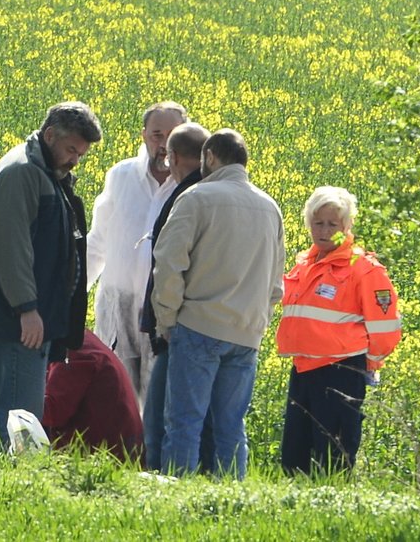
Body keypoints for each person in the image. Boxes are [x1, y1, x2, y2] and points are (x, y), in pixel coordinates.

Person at [0, 101, 103, 450]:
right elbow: (10, 246)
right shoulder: (22, 172)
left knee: (8, 409)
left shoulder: (45, 171)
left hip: (30, 316)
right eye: (70, 150)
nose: (75, 159)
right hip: (17, 319)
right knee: (21, 414)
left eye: (80, 153)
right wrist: (26, 307)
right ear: (49, 135)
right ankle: (9, 486)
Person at [151, 129, 285, 478]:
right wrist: (257, 323)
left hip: (198, 325)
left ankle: (179, 496)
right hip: (246, 333)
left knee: (184, 423)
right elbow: (275, 283)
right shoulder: (270, 208)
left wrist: (166, 319)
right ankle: (229, 501)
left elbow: (168, 263)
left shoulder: (197, 198)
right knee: (231, 428)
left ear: (210, 157)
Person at [276, 186, 402, 475]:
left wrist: (366, 365)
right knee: (294, 460)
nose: (323, 231)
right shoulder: (304, 265)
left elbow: (385, 329)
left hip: (341, 371)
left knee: (332, 461)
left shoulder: (364, 268)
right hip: (303, 369)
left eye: (332, 224)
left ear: (347, 226)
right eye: (317, 223)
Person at [86, 101, 187, 408]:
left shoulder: (193, 186)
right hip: (118, 304)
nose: (164, 144)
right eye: (157, 134)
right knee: (115, 395)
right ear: (143, 135)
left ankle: (152, 457)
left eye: (172, 135)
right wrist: (70, 294)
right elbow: (98, 241)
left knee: (159, 399)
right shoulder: (121, 175)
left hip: (165, 312)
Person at [138, 121, 211, 471]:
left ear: (174, 156)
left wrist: (161, 322)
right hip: (222, 327)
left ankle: (162, 485)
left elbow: (167, 267)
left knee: (162, 422)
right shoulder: (211, 195)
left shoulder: (187, 197)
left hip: (180, 328)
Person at [42, 329, 144, 462]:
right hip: (113, 449)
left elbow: (52, 411)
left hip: (109, 458)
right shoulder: (79, 339)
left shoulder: (74, 352)